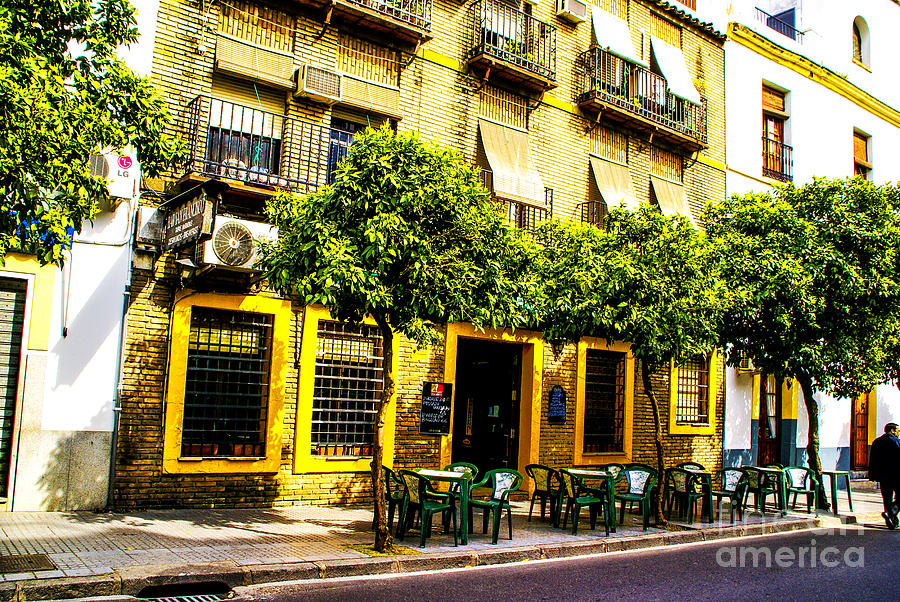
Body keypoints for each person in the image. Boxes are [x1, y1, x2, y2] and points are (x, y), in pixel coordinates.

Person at [869, 422, 900, 529]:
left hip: (882, 475)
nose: (898, 433)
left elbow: (872, 460)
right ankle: (891, 511)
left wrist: (872, 475)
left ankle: (891, 519)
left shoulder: (876, 442)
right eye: (897, 431)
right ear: (892, 430)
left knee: (886, 497)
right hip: (896, 474)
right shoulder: (896, 442)